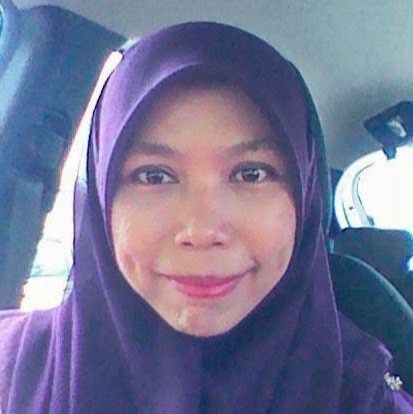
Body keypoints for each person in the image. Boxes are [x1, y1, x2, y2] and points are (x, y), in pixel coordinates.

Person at [0, 21, 412, 414]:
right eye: (154, 176)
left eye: (251, 174)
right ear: (101, 197)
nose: (201, 231)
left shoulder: (364, 397)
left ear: (306, 199)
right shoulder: (10, 369)